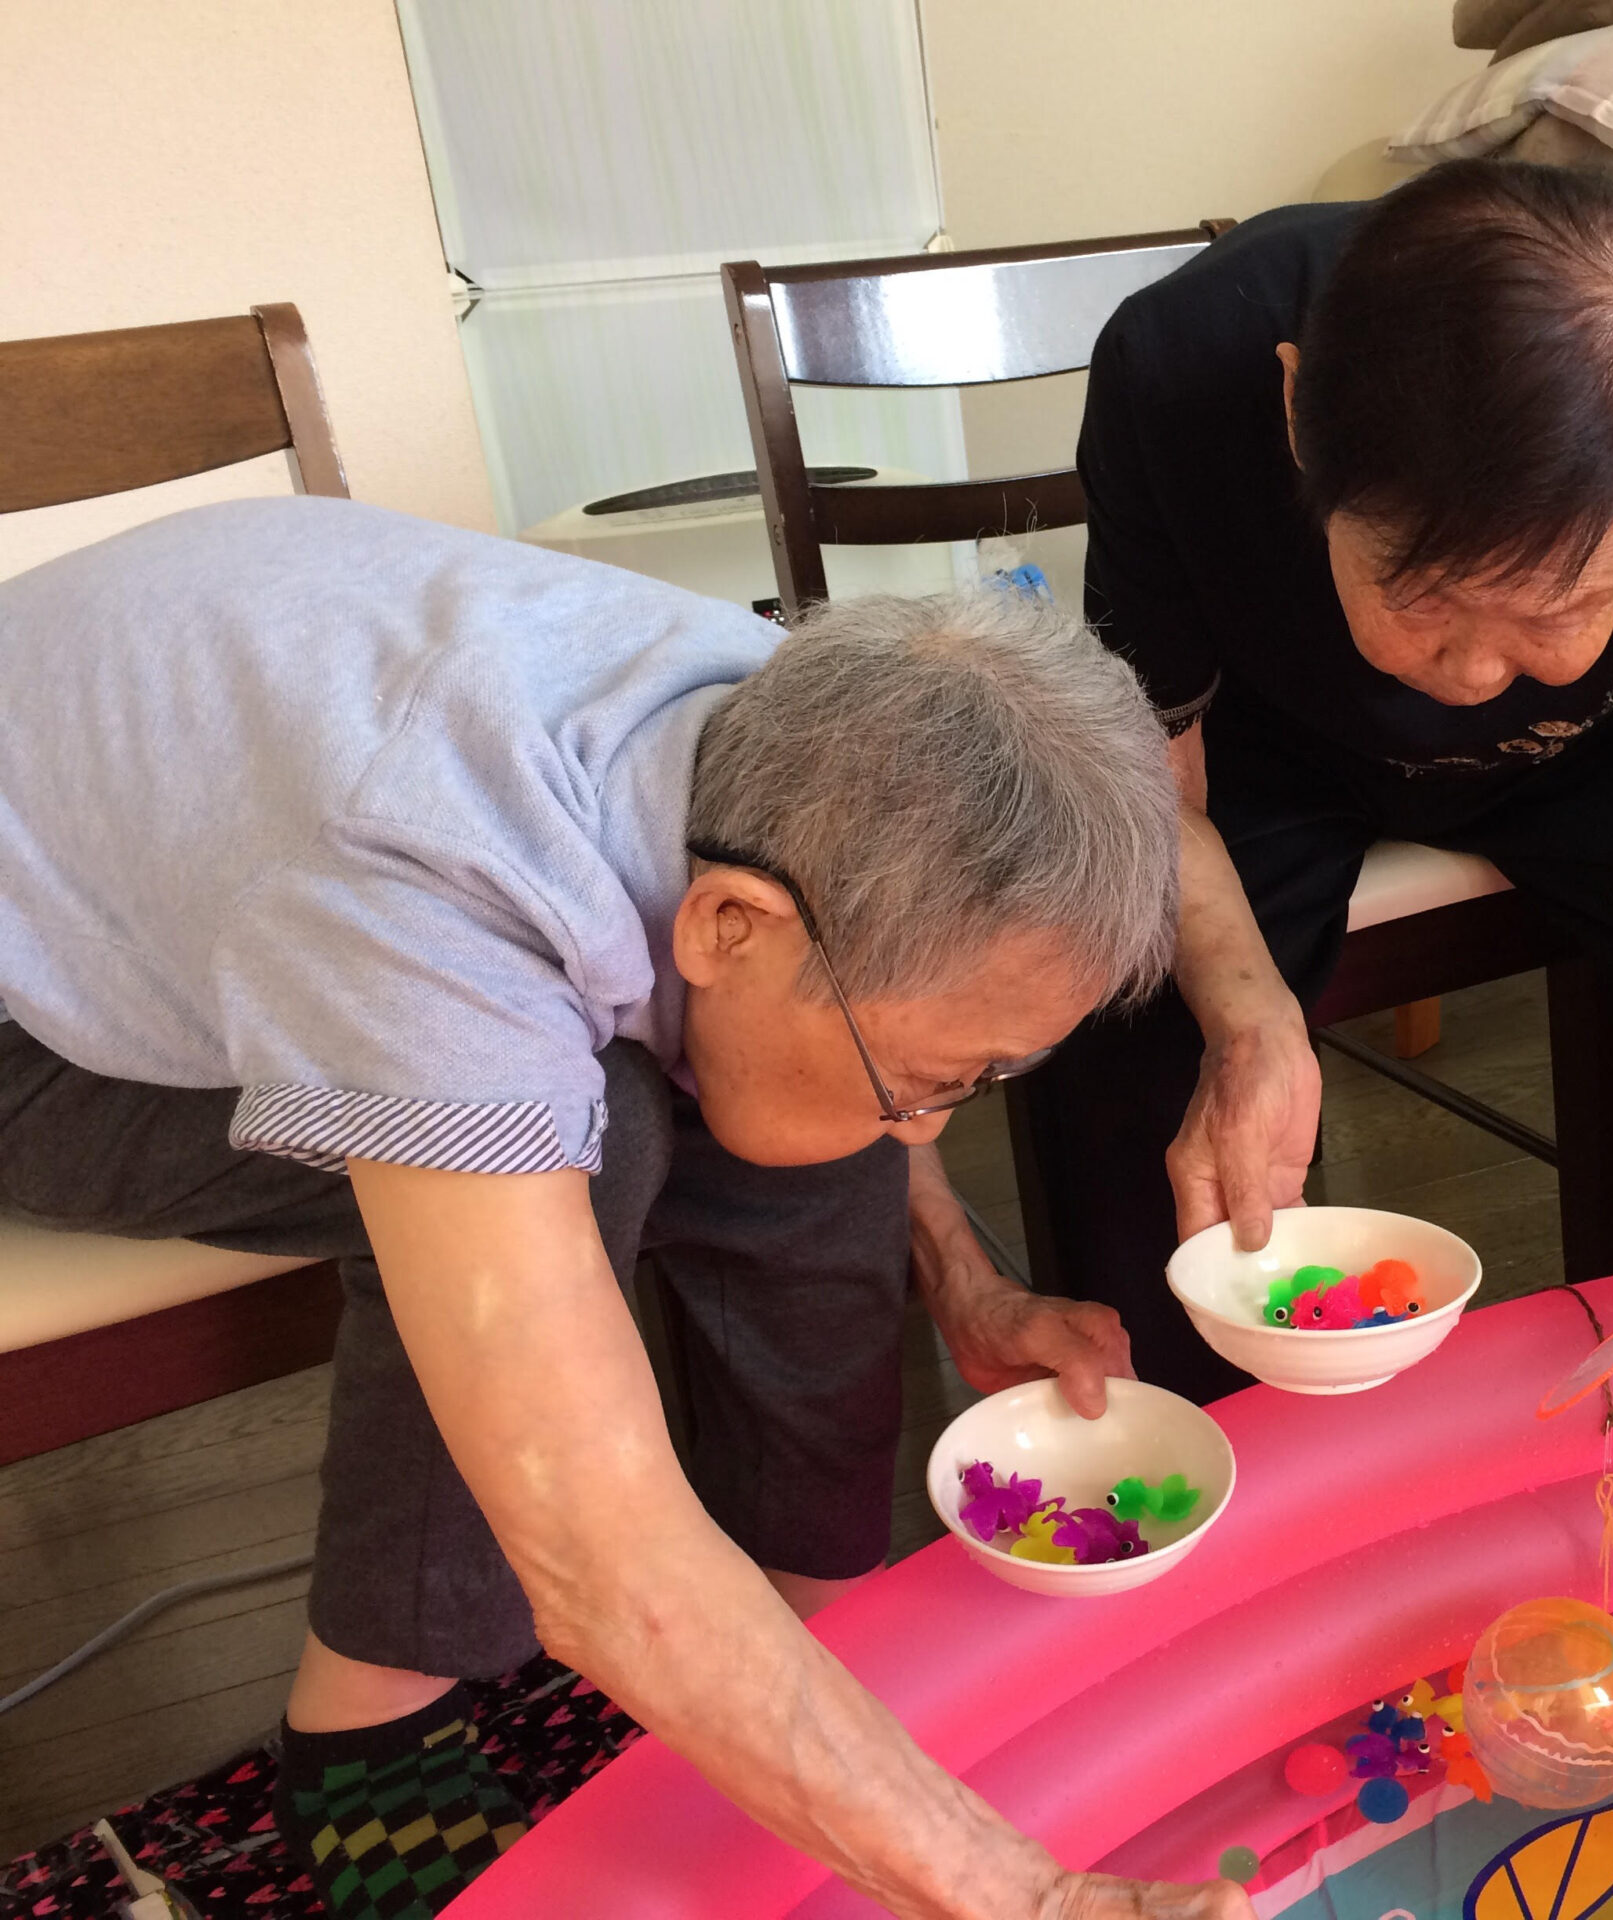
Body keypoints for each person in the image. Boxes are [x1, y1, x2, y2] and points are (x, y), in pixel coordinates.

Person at [0, 498, 1246, 1920]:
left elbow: (858, 1051)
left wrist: (962, 1271)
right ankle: (366, 1734)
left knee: (809, 1109)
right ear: (723, 923)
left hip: (221, 827)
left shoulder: (788, 731)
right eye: (941, 1081)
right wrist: (1026, 1899)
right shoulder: (431, 887)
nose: (936, 1123)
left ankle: (812, 1616)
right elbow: (597, 1551)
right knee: (605, 1134)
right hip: (29, 1016)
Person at [1023, 160, 1613, 1401]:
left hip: (1606, 744)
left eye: (1558, 607)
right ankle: (1192, 1445)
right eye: (1422, 596)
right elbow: (1152, 777)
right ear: (1299, 416)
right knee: (1130, 1036)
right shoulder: (1182, 364)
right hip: (1267, 745)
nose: (1469, 673)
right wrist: (1246, 1021)